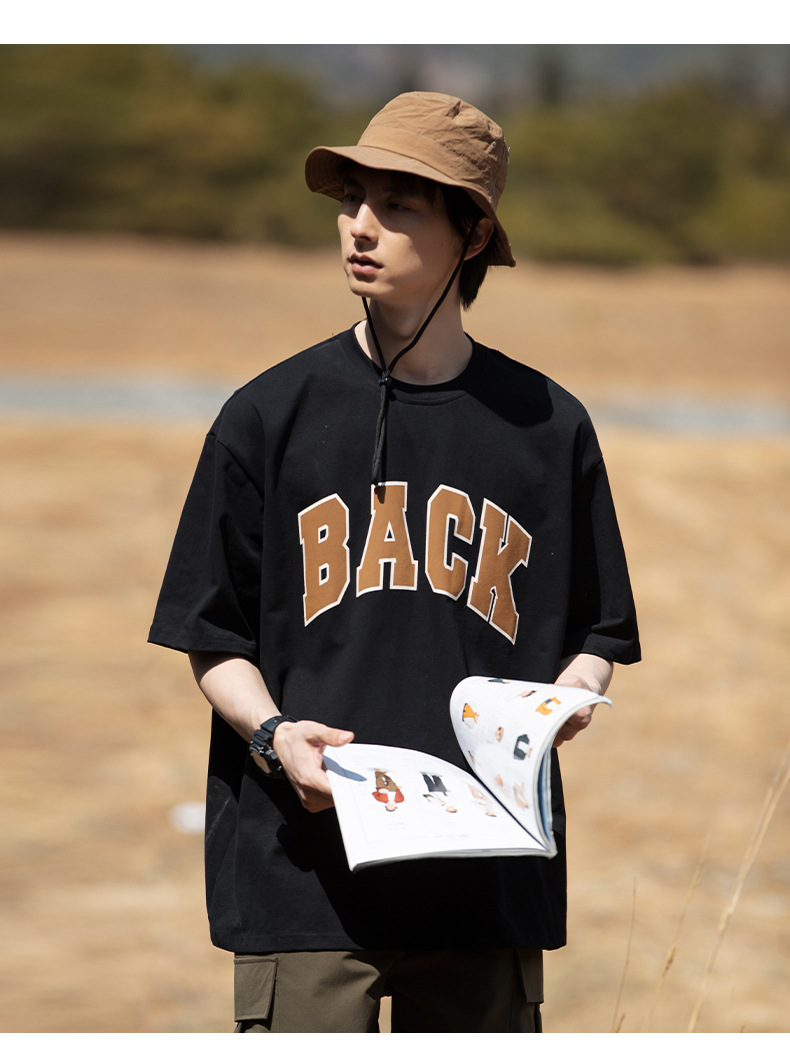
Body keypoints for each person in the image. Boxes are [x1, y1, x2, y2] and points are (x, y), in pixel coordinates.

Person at [148, 91, 640, 1033]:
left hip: (486, 884)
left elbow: (597, 634)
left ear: (472, 234)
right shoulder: (268, 416)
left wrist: (562, 704)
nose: (359, 227)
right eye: (351, 201)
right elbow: (211, 634)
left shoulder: (547, 427)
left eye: (399, 206)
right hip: (307, 875)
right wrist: (273, 736)